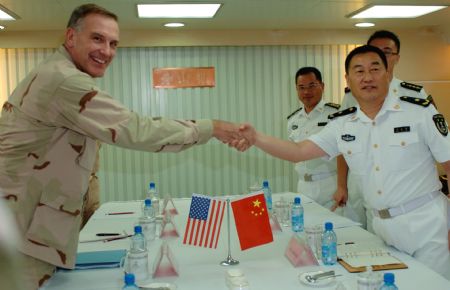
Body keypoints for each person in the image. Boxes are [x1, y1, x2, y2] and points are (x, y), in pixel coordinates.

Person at [0, 4, 246, 289]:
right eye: (97, 38)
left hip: (29, 227)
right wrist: (211, 128)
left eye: (113, 43)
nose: (106, 51)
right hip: (22, 234)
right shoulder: (65, 80)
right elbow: (136, 129)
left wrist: (89, 210)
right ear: (71, 37)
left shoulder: (59, 73)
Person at [238, 45, 450, 279]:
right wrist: (256, 138)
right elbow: (298, 151)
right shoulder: (343, 124)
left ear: (387, 74)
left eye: (375, 69)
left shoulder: (418, 112)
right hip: (382, 229)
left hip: (428, 225)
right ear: (348, 79)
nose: (367, 77)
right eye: (359, 71)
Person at [336, 30, 434, 232]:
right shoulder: (353, 94)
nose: (381, 56)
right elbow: (342, 142)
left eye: (387, 52)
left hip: (405, 191)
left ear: (396, 58)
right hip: (362, 182)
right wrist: (342, 185)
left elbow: (437, 145)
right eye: (375, 51)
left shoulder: (414, 94)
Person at [287, 67, 364, 224]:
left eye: (312, 85)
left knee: (335, 231)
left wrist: (342, 187)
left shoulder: (335, 114)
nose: (306, 92)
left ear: (322, 86)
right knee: (307, 230)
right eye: (301, 88)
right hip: (304, 186)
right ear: (296, 89)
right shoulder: (293, 120)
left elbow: (343, 151)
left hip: (330, 185)